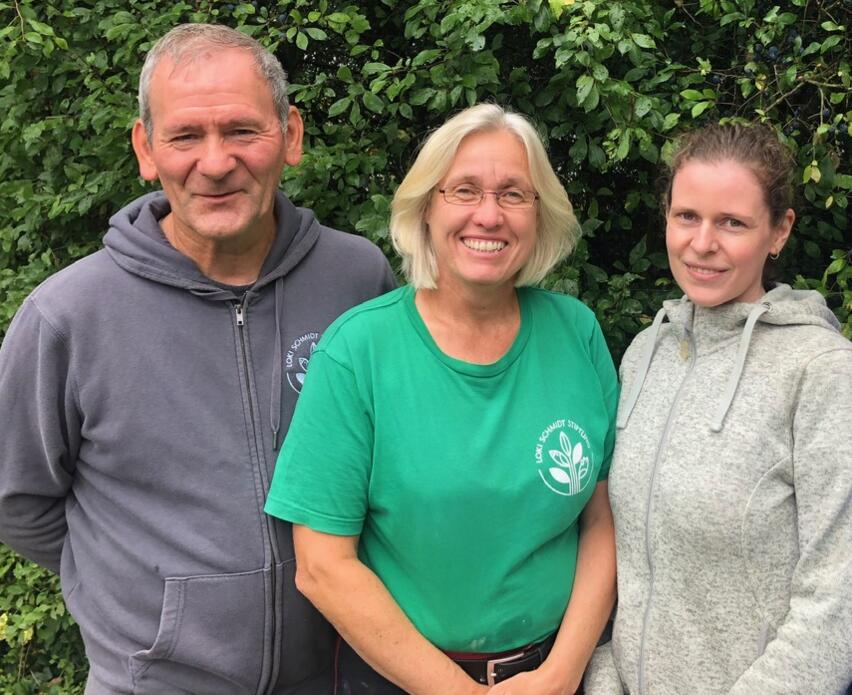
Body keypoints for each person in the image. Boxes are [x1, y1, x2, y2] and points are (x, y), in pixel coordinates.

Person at [0, 23, 395, 695]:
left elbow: (398, 463)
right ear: (146, 149)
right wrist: (146, 597)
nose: (215, 163)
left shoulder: (358, 280)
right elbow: (17, 500)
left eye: (242, 130)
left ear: (291, 135)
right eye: (185, 136)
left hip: (340, 677)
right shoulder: (68, 315)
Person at [264, 103, 618, 694]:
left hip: (557, 676)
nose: (489, 214)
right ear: (426, 208)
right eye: (464, 191)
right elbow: (324, 568)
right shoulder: (359, 350)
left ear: (540, 214)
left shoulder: (575, 332)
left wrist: (561, 673)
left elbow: (603, 522)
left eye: (513, 194)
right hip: (400, 680)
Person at [583, 123, 852, 694]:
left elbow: (837, 603)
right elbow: (623, 556)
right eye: (687, 216)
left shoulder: (823, 371)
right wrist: (605, 678)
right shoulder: (643, 353)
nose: (703, 243)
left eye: (732, 222)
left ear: (778, 232)